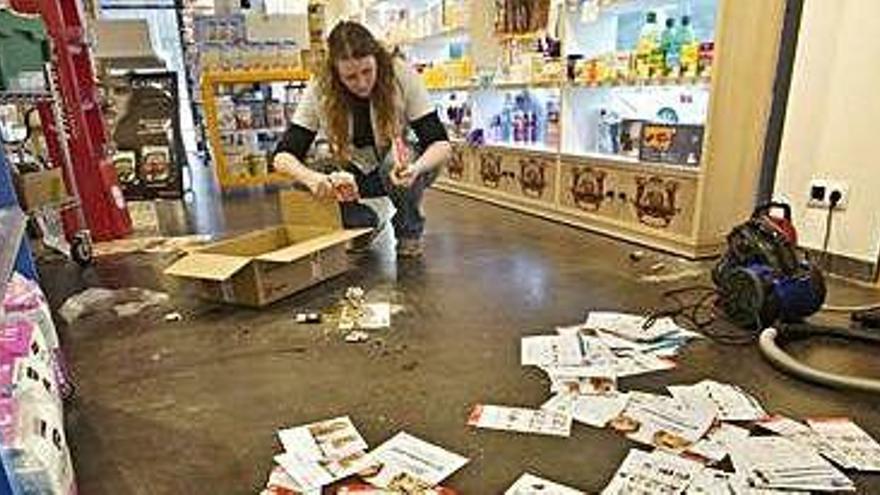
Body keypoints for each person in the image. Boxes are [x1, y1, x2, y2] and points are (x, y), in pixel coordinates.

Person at [273, 21, 451, 257]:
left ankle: (409, 231)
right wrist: (314, 179)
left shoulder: (401, 74)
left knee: (399, 158)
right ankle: (363, 224)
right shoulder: (320, 87)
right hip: (353, 173)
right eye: (350, 77)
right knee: (300, 181)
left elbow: (441, 144)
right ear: (336, 75)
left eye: (367, 71)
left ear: (377, 59)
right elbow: (283, 156)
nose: (362, 83)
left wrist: (416, 168)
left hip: (397, 171)